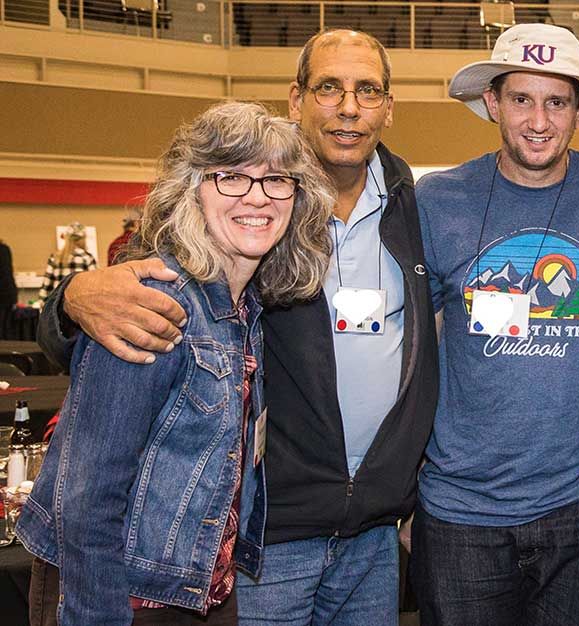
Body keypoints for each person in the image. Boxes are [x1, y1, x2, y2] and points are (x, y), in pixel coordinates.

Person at [37, 28, 440, 625]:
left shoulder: (419, 208)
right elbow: (128, 303)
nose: (349, 107)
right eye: (329, 87)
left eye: (367, 90)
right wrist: (71, 297)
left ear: (388, 106)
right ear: (296, 99)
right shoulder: (221, 236)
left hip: (372, 539)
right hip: (263, 547)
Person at [16, 101, 333, 625]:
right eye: (231, 176)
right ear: (192, 191)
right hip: (121, 595)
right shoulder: (154, 300)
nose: (257, 196)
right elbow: (88, 498)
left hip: (199, 585)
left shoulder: (245, 306)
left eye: (277, 179)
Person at [411, 23, 579, 625]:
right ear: (492, 103)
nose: (538, 120)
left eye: (556, 101)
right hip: (461, 511)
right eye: (521, 99)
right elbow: (406, 348)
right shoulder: (438, 199)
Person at [38, 223, 96, 301]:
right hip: (79, 305)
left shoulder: (55, 258)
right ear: (82, 239)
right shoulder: (87, 258)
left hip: (57, 306)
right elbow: (94, 287)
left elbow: (45, 288)